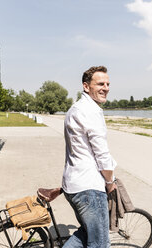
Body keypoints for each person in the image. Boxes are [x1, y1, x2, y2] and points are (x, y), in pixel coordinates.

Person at [62, 66, 117, 248]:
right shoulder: (91, 111)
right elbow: (101, 153)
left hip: (73, 185)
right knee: (100, 243)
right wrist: (110, 182)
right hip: (89, 187)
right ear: (86, 86)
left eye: (108, 84)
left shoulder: (75, 108)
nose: (106, 88)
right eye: (100, 83)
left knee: (85, 235)